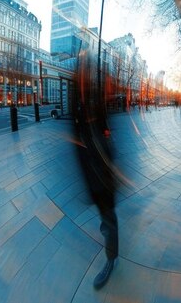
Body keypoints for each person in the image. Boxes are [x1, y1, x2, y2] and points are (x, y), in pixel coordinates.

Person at [74, 102, 118, 289]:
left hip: (101, 170)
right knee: (104, 213)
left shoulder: (98, 104)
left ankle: (111, 258)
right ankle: (108, 230)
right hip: (89, 167)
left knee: (108, 216)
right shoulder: (80, 105)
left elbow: (108, 137)